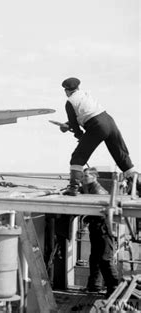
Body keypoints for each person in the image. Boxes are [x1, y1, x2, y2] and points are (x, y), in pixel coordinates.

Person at [59, 77, 138, 196]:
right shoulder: (85, 94)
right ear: (78, 88)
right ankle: (140, 187)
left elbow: (75, 125)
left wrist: (79, 135)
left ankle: (73, 188)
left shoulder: (69, 102)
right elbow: (88, 113)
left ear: (66, 90)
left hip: (96, 126)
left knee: (77, 157)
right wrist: (70, 125)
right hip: (109, 121)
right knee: (121, 155)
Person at [81, 167, 119, 296]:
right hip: (95, 228)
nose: (83, 179)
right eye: (82, 176)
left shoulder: (98, 191)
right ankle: (94, 286)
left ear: (94, 177)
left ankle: (114, 289)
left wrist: (87, 217)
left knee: (105, 259)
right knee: (95, 258)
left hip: (103, 228)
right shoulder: (88, 188)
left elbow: (103, 213)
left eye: (86, 176)